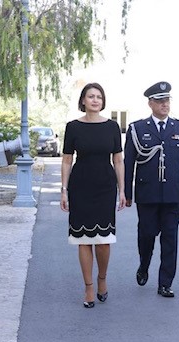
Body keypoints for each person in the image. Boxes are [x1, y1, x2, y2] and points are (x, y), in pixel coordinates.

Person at [60, 82, 125, 308]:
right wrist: (64, 190)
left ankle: (102, 279)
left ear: (102, 101)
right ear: (83, 101)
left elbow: (118, 160)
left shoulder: (112, 127)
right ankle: (88, 287)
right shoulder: (73, 127)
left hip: (105, 187)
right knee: (83, 240)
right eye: (90, 96)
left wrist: (123, 190)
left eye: (99, 96)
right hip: (80, 186)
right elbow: (67, 159)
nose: (95, 100)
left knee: (104, 241)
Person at [124, 81, 179, 298]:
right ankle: (144, 265)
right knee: (146, 235)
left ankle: (165, 283)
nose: (165, 104)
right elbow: (129, 162)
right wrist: (127, 192)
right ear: (150, 103)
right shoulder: (137, 128)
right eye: (160, 100)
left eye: (167, 100)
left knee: (170, 239)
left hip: (173, 195)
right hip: (148, 194)